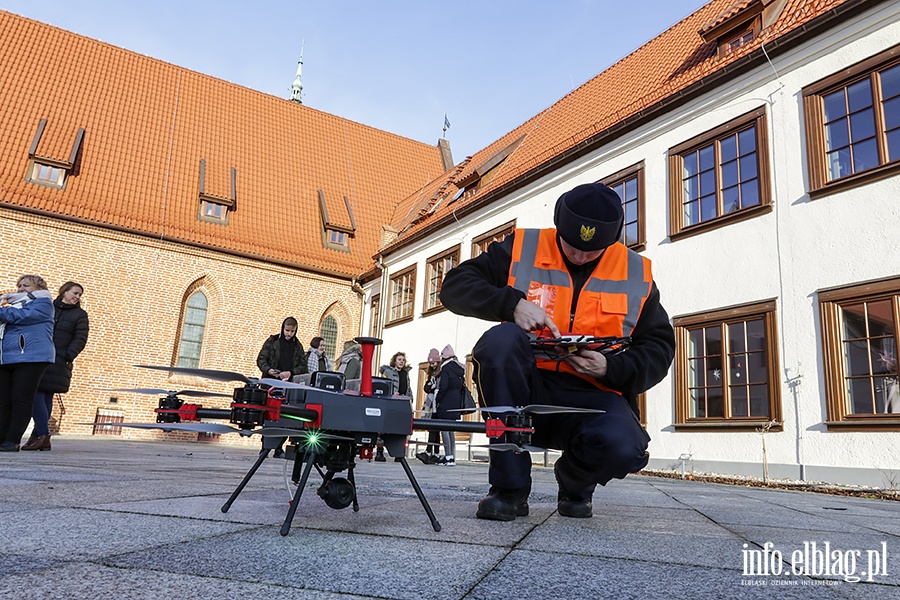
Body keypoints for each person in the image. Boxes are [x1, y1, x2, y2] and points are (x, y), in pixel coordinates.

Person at [440, 182, 675, 521]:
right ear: (558, 226)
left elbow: (659, 346)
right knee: (500, 341)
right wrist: (511, 304)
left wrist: (610, 368)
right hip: (524, 385)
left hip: (590, 395)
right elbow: (454, 287)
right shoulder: (523, 247)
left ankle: (575, 481)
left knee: (626, 447)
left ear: (613, 239)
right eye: (572, 245)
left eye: (591, 250)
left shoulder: (636, 272)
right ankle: (509, 491)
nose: (579, 256)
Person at [25, 281, 89, 452]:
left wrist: (68, 355)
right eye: (75, 293)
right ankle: (39, 435)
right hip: (39, 356)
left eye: (79, 295)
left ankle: (41, 435)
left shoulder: (80, 315)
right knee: (40, 394)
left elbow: (80, 338)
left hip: (59, 360)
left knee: (43, 393)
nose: (77, 297)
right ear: (64, 292)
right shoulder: (48, 307)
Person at [0, 275, 55, 452]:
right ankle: (2, 438)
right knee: (3, 400)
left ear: (39, 288)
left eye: (26, 285)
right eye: (19, 286)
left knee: (21, 399)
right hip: (7, 357)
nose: (21, 289)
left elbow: (21, 316)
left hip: (32, 357)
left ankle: (12, 440)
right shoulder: (12, 305)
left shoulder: (44, 303)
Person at [432, 344, 464, 466]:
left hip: (446, 402)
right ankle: (452, 457)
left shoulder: (446, 368)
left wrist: (438, 399)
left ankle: (448, 456)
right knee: (451, 430)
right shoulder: (459, 369)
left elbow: (443, 386)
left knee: (444, 429)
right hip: (456, 402)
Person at [377, 351, 412, 462]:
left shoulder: (405, 374)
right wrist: (391, 393)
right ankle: (379, 452)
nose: (401, 362)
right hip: (390, 402)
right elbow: (383, 385)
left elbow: (407, 387)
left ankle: (399, 453)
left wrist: (409, 398)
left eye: (403, 360)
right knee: (384, 427)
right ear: (394, 361)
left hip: (401, 402)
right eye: (399, 359)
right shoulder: (388, 371)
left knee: (400, 427)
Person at [256, 317, 307, 381]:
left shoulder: (298, 345)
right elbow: (261, 359)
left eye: (292, 331)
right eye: (287, 330)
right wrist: (268, 370)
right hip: (270, 380)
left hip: (289, 382)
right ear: (283, 328)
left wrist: (291, 372)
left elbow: (303, 366)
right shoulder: (272, 341)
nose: (289, 334)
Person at [415, 348, 442, 465]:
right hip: (432, 405)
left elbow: (437, 387)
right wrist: (430, 386)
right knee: (433, 429)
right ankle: (433, 453)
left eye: (434, 363)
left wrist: (431, 387)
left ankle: (430, 452)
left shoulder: (441, 373)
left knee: (434, 429)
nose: (432, 365)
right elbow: (427, 388)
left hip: (438, 404)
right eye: (430, 363)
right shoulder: (431, 373)